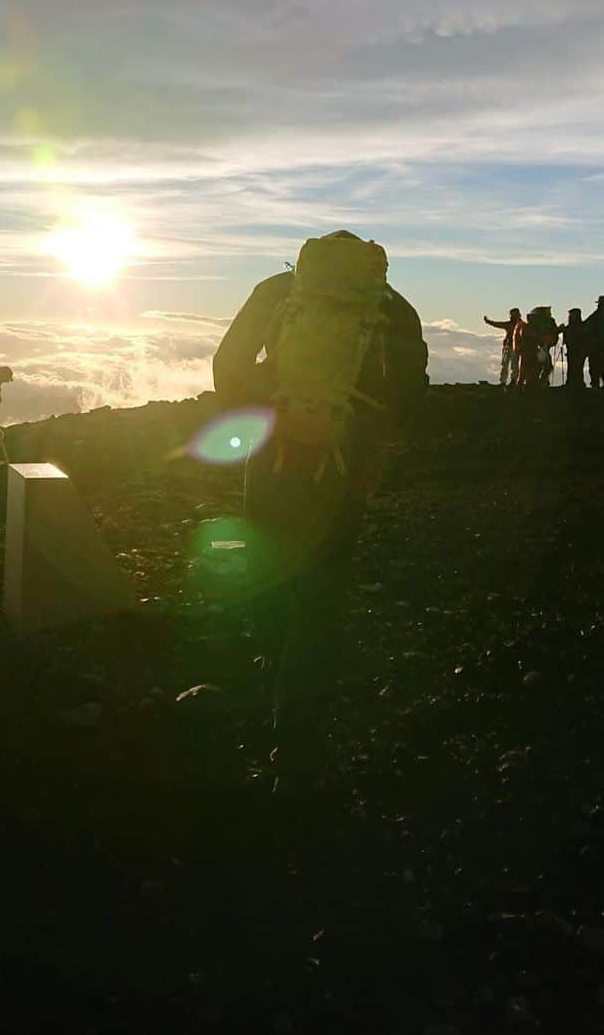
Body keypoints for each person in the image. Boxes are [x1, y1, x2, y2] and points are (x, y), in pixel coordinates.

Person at [212, 231, 428, 793]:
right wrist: (368, 443)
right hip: (343, 466)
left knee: (265, 561)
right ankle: (298, 743)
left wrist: (261, 418)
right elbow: (410, 389)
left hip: (270, 458)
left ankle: (267, 662)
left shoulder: (277, 291)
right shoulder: (392, 310)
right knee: (323, 597)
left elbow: (227, 364)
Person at [514, 306, 559, 388]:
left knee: (530, 370)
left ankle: (528, 386)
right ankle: (531, 386)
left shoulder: (530, 325)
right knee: (532, 370)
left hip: (534, 350)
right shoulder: (535, 325)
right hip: (533, 351)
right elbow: (538, 336)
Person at [483, 308, 522, 386]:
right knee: (508, 364)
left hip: (513, 347)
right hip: (510, 347)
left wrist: (489, 322)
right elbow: (498, 324)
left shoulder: (518, 324)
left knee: (511, 364)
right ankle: (508, 381)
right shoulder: (519, 324)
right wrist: (489, 322)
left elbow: (498, 324)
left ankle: (510, 380)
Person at [557, 307, 588, 388]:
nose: (569, 316)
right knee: (574, 367)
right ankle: (576, 383)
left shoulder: (576, 327)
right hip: (575, 350)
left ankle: (575, 383)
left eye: (571, 315)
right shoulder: (582, 326)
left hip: (576, 350)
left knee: (575, 367)